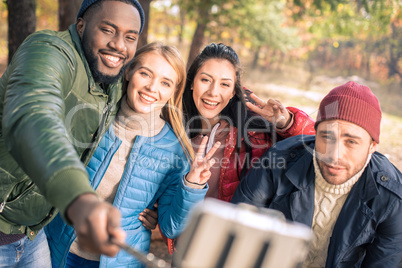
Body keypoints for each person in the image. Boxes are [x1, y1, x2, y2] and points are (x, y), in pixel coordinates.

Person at [45, 42, 219, 267]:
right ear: (128, 72)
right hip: (57, 247)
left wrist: (192, 185)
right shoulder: (94, 115)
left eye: (165, 83)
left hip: (119, 260)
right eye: (145, 73)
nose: (152, 88)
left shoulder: (173, 148)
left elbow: (170, 227)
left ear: (173, 91)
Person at [0, 0, 145, 266]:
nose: (119, 45)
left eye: (130, 37)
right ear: (81, 26)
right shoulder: (48, 49)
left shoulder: (111, 83)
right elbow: (34, 116)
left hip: (32, 233)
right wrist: (79, 200)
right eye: (108, 29)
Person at [157, 43, 315, 253]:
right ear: (192, 82)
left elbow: (316, 146)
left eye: (224, 84)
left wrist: (285, 123)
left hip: (234, 252)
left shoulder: (253, 133)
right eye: (205, 80)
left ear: (233, 91)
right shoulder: (173, 130)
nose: (213, 92)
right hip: (187, 250)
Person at [231, 81, 402, 267]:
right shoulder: (277, 162)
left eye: (351, 142)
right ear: (315, 133)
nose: (334, 154)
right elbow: (237, 238)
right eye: (326, 136)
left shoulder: (392, 198)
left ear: (372, 146)